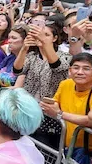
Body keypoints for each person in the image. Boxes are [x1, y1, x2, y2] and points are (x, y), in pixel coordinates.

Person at [13, 18, 70, 147]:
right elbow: (17, 70)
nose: (41, 37)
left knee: (44, 153)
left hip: (48, 117)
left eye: (46, 35)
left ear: (55, 38)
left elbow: (57, 67)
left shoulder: (64, 56)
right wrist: (24, 49)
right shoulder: (32, 56)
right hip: (26, 111)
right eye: (38, 34)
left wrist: (45, 43)